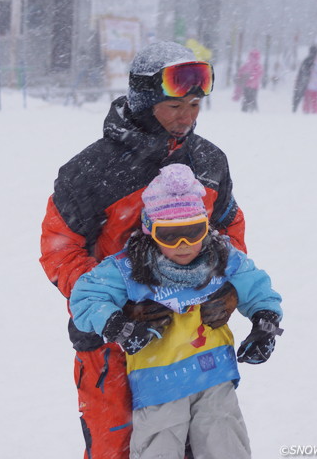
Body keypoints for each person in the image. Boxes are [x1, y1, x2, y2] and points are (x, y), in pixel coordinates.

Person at [39, 41, 246, 459]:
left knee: (209, 446)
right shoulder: (91, 171)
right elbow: (58, 248)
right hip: (113, 348)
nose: (186, 117)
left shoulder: (208, 161)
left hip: (193, 341)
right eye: (174, 106)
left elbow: (229, 231)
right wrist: (115, 309)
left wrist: (227, 290)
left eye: (194, 104)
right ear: (145, 101)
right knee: (116, 448)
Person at [69, 164, 283, 459]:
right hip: (159, 381)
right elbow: (86, 296)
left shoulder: (221, 256)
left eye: (193, 233)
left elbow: (257, 287)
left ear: (206, 227)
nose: (184, 246)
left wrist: (265, 323)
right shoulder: (130, 267)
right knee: (158, 447)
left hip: (214, 375)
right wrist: (118, 325)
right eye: (170, 235)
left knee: (225, 442)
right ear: (150, 230)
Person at [292, 45, 317, 112]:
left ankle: (295, 109)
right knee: (301, 95)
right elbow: (307, 70)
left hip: (301, 79)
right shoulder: (311, 59)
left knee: (298, 95)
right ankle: (299, 110)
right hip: (304, 79)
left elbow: (303, 70)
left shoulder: (307, 59)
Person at [303, 48, 317, 114]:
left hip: (311, 84)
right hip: (316, 85)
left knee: (308, 99)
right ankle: (314, 111)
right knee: (315, 100)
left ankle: (307, 111)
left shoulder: (313, 62)